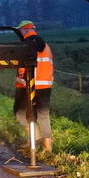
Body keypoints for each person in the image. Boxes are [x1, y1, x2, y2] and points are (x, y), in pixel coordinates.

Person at [12, 20, 54, 154]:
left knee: (21, 113)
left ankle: (35, 140)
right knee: (42, 114)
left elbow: (23, 67)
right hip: (43, 85)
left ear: (24, 30)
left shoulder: (28, 45)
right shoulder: (44, 45)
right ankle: (45, 145)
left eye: (20, 31)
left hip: (29, 85)